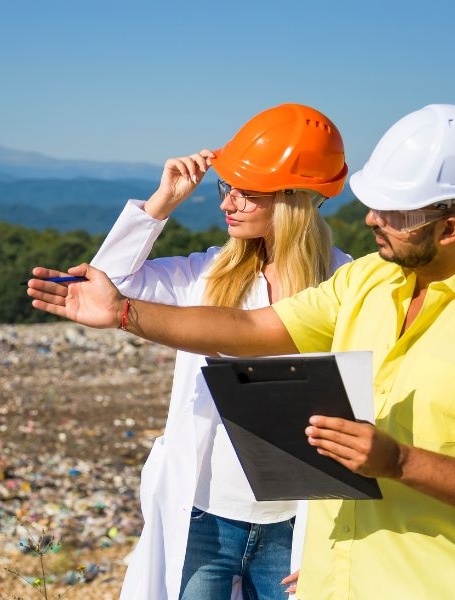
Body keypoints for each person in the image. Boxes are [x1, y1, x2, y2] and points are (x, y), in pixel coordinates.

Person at [27, 103, 455, 599]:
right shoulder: (363, 284)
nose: (370, 220)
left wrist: (399, 462)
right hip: (289, 556)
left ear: (450, 227)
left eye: (390, 211)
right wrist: (125, 308)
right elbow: (249, 329)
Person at [80, 103, 350, 600]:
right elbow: (107, 286)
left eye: (246, 194)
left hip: (297, 526)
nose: (227, 204)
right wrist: (162, 201)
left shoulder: (348, 284)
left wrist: (332, 549)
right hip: (204, 514)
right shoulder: (206, 275)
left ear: (294, 200)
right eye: (227, 188)